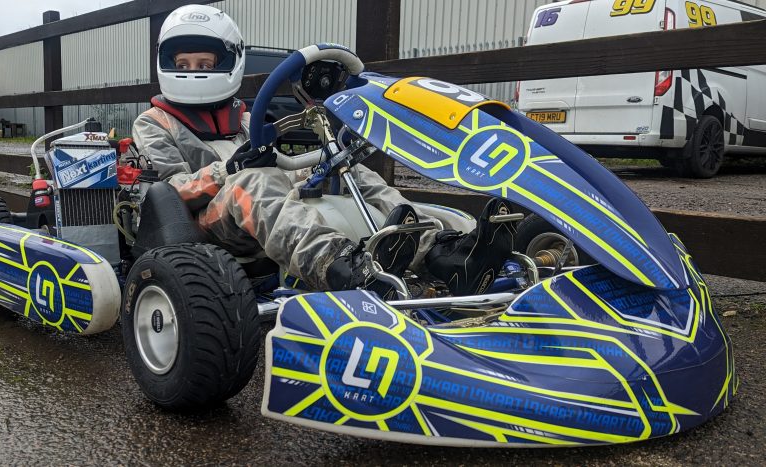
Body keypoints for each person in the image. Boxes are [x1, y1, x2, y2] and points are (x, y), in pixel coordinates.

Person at [133, 4, 511, 295]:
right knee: (253, 183)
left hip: (255, 210)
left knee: (351, 172)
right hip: (200, 228)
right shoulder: (154, 122)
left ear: (229, 62)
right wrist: (226, 171)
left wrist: (320, 164)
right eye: (184, 64)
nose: (193, 71)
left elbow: (280, 166)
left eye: (203, 63)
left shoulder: (244, 120)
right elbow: (167, 192)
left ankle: (441, 254)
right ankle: (340, 267)